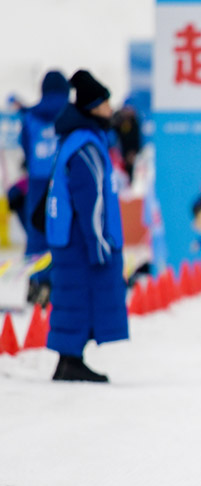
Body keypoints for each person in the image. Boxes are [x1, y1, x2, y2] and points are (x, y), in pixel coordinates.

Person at [45, 70, 128, 382]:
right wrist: (98, 243)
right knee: (82, 298)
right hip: (82, 240)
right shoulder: (87, 147)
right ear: (94, 107)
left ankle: (70, 358)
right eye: (106, 103)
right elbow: (89, 200)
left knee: (73, 298)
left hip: (68, 237)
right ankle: (70, 361)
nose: (111, 109)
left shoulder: (75, 140)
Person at [19, 70, 69, 305]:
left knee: (36, 233)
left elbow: (26, 149)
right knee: (63, 230)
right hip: (63, 179)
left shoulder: (29, 116)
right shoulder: (70, 111)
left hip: (38, 181)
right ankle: (59, 283)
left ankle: (36, 282)